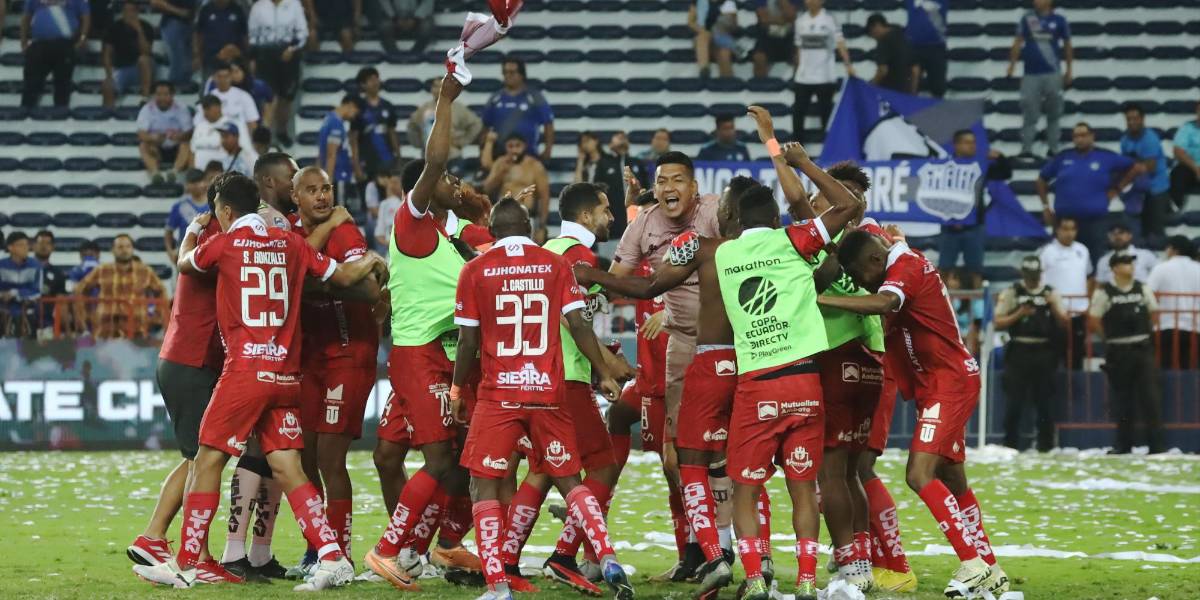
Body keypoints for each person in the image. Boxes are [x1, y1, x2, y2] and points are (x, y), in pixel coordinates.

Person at [131, 172, 383, 591]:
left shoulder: (224, 243)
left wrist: (192, 230)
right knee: (287, 465)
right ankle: (333, 556)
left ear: (226, 211)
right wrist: (371, 260)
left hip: (245, 372)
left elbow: (184, 263)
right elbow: (342, 277)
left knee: (207, 459)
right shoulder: (292, 244)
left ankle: (186, 563)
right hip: (285, 374)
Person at [449, 197, 634, 600]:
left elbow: (468, 341)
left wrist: (457, 388)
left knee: (484, 485)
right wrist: (603, 373)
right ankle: (606, 555)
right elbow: (579, 325)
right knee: (570, 479)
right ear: (530, 229)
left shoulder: (474, 269)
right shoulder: (555, 265)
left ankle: (498, 585)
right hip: (547, 390)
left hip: (499, 394)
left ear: (492, 232)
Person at [824, 230, 1010, 599]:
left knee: (918, 474)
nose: (861, 283)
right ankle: (991, 568)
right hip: (939, 383)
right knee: (953, 479)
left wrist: (821, 298)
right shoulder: (901, 258)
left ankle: (971, 564)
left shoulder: (903, 267)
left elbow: (884, 303)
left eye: (860, 274)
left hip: (948, 383)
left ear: (875, 260)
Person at [365, 75, 483, 591]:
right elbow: (434, 161)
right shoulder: (412, 223)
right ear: (426, 189)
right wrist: (445, 101)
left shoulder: (445, 236)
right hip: (418, 358)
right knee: (440, 459)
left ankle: (421, 547)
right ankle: (390, 548)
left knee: (429, 457)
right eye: (448, 179)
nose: (455, 183)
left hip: (431, 355)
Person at [127, 177, 241, 583]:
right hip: (193, 360)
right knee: (205, 461)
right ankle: (197, 556)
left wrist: (191, 229)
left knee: (198, 458)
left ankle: (154, 537)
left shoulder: (203, 237)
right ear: (226, 209)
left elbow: (185, 257)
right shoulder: (222, 242)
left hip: (182, 358)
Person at [291, 165, 382, 564]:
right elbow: (295, 275)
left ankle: (339, 554)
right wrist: (333, 277)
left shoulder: (345, 232)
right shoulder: (292, 231)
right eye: (312, 190)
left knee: (330, 458)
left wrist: (318, 282)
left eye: (326, 188)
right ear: (295, 197)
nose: (322, 196)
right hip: (310, 357)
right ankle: (318, 546)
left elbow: (369, 288)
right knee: (305, 457)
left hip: (349, 354)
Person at [1088, 252, 1164, 454]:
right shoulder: (1105, 292)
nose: (1130, 267)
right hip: (1119, 350)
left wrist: (1146, 332)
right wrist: (1109, 339)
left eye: (1131, 263)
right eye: (1125, 263)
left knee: (1151, 398)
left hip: (1142, 348)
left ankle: (1156, 446)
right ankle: (1123, 445)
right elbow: (1094, 319)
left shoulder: (1142, 288)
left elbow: (1154, 312)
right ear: (1114, 268)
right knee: (1122, 399)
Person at [994, 255, 1069, 452]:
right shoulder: (1012, 292)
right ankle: (1010, 444)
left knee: (1045, 400)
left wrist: (1053, 305)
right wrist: (1020, 313)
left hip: (1044, 350)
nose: (1032, 279)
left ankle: (1046, 444)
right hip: (1019, 349)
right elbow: (997, 321)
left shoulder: (1050, 293)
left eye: (1035, 275)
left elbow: (1064, 322)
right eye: (1029, 275)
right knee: (1014, 400)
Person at [1036, 122, 1141, 261]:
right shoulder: (1063, 157)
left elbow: (1136, 167)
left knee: (1096, 260)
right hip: (1065, 222)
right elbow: (1041, 180)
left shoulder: (1105, 156)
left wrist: (1117, 189)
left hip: (1095, 222)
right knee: (1062, 261)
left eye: (1083, 135)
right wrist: (1045, 207)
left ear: (1092, 136)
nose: (1079, 139)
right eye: (1076, 136)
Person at [937, 130, 1012, 287]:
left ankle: (978, 304)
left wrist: (1000, 158)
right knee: (944, 268)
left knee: (976, 270)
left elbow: (1005, 173)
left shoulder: (980, 166)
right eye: (967, 142)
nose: (972, 146)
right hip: (950, 227)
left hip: (974, 226)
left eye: (973, 142)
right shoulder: (943, 167)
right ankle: (938, 300)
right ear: (956, 145)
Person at [1006, 0, 1073, 158]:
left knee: (1054, 113)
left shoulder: (1060, 20)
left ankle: (1053, 148)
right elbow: (1018, 41)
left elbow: (1068, 45)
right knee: (1029, 112)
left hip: (1053, 73)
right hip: (1030, 74)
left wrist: (1069, 70)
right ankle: (1026, 149)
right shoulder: (1028, 18)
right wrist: (1012, 65)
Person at [73, 234, 168, 339]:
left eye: (128, 246)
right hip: (105, 332)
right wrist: (86, 315)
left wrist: (157, 317)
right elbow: (80, 290)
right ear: (113, 250)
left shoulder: (145, 271)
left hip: (137, 332)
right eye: (120, 247)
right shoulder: (102, 270)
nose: (124, 250)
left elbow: (161, 291)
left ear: (132, 249)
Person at [791, 0, 853, 143]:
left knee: (826, 115)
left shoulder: (830, 19)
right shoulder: (800, 20)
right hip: (803, 77)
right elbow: (799, 47)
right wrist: (797, 68)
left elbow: (840, 43)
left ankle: (831, 147)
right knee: (798, 114)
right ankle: (797, 149)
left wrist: (848, 64)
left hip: (825, 77)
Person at [248, 0, 307, 147]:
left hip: (288, 55)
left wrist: (292, 49)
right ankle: (266, 136)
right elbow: (252, 35)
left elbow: (302, 32)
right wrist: (253, 57)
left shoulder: (294, 5)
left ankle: (282, 131)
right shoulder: (258, 7)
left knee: (286, 97)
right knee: (269, 97)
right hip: (265, 56)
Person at [1039, 217, 1092, 369]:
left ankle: (1075, 384)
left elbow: (1089, 277)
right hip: (1055, 312)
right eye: (1065, 229)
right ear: (1057, 230)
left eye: (1072, 229)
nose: (1069, 233)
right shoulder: (1047, 252)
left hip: (1078, 312)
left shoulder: (1083, 250)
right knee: (1053, 356)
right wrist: (1053, 306)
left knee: (1076, 356)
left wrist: (1087, 303)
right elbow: (1039, 282)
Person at [481, 57, 554, 162]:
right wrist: (483, 151)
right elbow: (485, 127)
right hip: (500, 156)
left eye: (512, 72)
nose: (508, 75)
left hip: (529, 155)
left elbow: (548, 124)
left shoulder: (535, 97)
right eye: (505, 72)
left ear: (522, 74)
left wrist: (548, 150)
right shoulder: (495, 98)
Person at [20, 0, 90, 108]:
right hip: (39, 44)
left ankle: (61, 114)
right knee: (31, 86)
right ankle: (25, 114)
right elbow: (26, 16)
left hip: (65, 45)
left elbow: (86, 17)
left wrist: (82, 39)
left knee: (62, 87)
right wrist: (23, 42)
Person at [482, 133, 550, 239]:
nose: (514, 150)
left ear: (524, 146)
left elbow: (544, 197)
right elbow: (487, 189)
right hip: (502, 217)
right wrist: (500, 173)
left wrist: (541, 226)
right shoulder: (500, 163)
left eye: (518, 146)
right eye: (510, 146)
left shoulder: (535, 166)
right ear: (505, 147)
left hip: (526, 218)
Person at [1119, 102, 1171, 240]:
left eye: (1135, 118)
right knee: (1137, 230)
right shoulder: (1124, 139)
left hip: (1156, 189)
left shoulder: (1150, 138)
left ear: (1142, 119)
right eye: (1128, 119)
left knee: (1155, 231)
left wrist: (1123, 182)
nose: (1131, 122)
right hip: (1137, 190)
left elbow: (1149, 167)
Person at [1147, 236, 1200, 370]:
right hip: (1195, 327)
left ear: (1172, 249)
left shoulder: (1161, 268)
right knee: (1191, 371)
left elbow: (1148, 294)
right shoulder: (1198, 268)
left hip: (1166, 326)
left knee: (1165, 370)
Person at [407, 77, 484, 168]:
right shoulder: (424, 109)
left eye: (442, 87)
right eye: (435, 86)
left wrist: (462, 141)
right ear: (431, 89)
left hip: (452, 157)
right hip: (428, 159)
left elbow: (476, 124)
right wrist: (421, 143)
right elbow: (412, 126)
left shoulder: (458, 108)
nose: (438, 90)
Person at [137, 81, 194, 184]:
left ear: (172, 95)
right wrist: (153, 138)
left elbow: (189, 133)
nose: (162, 98)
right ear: (154, 95)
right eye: (159, 94)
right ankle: (155, 173)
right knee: (143, 145)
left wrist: (179, 136)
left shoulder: (181, 108)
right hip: (157, 148)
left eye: (166, 94)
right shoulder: (147, 109)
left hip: (176, 148)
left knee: (186, 144)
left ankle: (174, 172)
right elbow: (141, 134)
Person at [100, 2, 153, 109]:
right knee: (107, 85)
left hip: (142, 70)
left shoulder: (146, 26)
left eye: (132, 11)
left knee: (144, 60)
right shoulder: (114, 27)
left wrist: (139, 30)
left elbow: (146, 51)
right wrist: (109, 76)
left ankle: (145, 99)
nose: (129, 14)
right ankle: (109, 113)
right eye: (126, 11)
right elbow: (107, 54)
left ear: (137, 12)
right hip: (121, 69)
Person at [352, 68, 400, 180]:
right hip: (367, 162)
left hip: (387, 161)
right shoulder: (358, 108)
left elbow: (392, 133)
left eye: (376, 79)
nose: (375, 82)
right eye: (371, 80)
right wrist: (356, 166)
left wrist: (398, 155)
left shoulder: (388, 106)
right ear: (363, 84)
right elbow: (353, 139)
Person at [202, 60, 260, 145]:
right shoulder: (208, 98)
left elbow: (252, 123)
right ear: (214, 78)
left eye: (226, 76)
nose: (223, 80)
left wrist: (253, 144)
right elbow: (201, 123)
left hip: (241, 142)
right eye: (219, 76)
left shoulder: (244, 96)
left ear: (231, 77)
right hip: (214, 142)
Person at [318, 95, 362, 199]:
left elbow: (322, 153)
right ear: (351, 105)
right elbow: (331, 154)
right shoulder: (336, 124)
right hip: (338, 176)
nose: (354, 117)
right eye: (356, 112)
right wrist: (328, 182)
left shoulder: (328, 119)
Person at [0, 231, 42, 337]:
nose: (26, 248)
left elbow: (37, 291)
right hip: (3, 307)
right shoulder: (1, 265)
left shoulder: (35, 265)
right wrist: (2, 295)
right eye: (21, 245)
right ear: (10, 247)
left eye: (27, 245)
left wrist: (15, 293)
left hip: (27, 308)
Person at [164, 170, 211, 265]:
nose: (197, 185)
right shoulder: (180, 207)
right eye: (193, 182)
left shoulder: (214, 205)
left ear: (206, 183)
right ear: (187, 185)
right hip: (186, 256)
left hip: (209, 255)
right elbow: (168, 232)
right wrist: (170, 252)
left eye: (200, 181)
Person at [194, 0, 248, 76]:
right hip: (211, 60)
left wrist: (245, 56)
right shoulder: (205, 10)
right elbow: (198, 34)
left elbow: (244, 35)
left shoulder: (237, 10)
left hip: (234, 61)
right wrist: (197, 55)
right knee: (210, 82)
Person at [905, 0, 948, 97]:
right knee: (911, 86)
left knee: (938, 87)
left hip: (936, 47)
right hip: (914, 46)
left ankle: (938, 105)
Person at [865, 13, 915, 94]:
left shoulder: (883, 41)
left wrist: (871, 87)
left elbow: (882, 70)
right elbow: (915, 69)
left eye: (871, 32)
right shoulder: (903, 36)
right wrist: (913, 92)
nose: (874, 37)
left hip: (889, 90)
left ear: (877, 25)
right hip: (906, 88)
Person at [689, 0, 739, 79]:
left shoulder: (728, 2)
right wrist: (705, 32)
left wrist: (727, 22)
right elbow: (691, 22)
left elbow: (734, 26)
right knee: (702, 37)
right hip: (703, 35)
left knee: (724, 52)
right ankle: (704, 70)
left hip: (721, 37)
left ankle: (727, 81)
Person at [151, 0, 194, 85]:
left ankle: (183, 86)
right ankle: (175, 87)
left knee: (187, 63)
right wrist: (178, 11)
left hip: (190, 25)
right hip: (174, 23)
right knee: (178, 61)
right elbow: (155, 2)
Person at [366, 0, 433, 54]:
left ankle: (416, 53)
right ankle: (393, 54)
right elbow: (385, 1)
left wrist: (416, 19)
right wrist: (394, 18)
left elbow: (428, 2)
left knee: (427, 26)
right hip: (394, 18)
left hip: (418, 17)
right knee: (384, 26)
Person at [1168, 100, 1200, 212]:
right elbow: (1178, 151)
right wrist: (1196, 169)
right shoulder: (1187, 128)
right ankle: (1178, 210)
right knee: (1177, 174)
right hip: (1189, 167)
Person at [751, 0, 795, 78]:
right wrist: (784, 20)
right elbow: (763, 19)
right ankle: (760, 84)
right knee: (759, 58)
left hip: (789, 37)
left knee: (799, 57)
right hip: (767, 37)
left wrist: (782, 2)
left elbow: (792, 16)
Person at [189, 95, 230, 170]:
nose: (205, 112)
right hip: (199, 173)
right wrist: (193, 171)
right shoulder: (199, 126)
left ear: (218, 107)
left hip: (221, 172)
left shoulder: (229, 125)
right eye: (203, 108)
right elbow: (192, 151)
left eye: (207, 108)